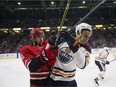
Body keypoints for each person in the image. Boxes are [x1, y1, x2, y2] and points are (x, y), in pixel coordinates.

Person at [47, 23, 92, 87]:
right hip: (54, 81)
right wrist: (50, 43)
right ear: (78, 33)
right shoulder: (63, 40)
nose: (87, 39)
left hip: (70, 82)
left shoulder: (86, 49)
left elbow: (83, 65)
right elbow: (47, 55)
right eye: (85, 36)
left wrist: (75, 48)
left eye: (88, 37)